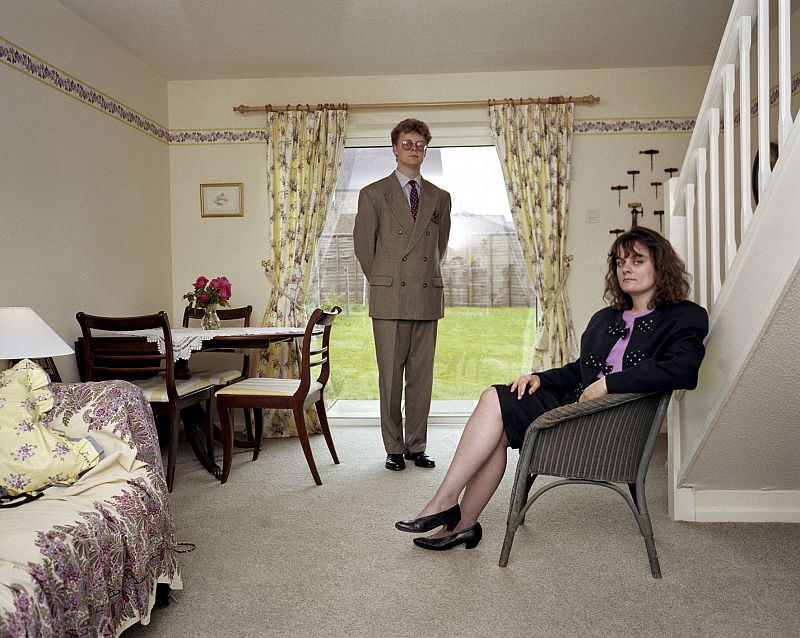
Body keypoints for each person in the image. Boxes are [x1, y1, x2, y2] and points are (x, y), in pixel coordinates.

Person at [395, 226, 708, 550]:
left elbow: (683, 370)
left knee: (497, 420)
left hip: (611, 428)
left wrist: (608, 384)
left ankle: (448, 508)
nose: (626, 268)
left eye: (637, 261)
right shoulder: (606, 318)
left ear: (660, 266)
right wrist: (540, 379)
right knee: (495, 404)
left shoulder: (685, 317)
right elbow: (580, 369)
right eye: (620, 262)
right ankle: (461, 521)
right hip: (573, 407)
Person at [353, 118, 452, 471]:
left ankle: (417, 446)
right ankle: (394, 447)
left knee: (422, 379)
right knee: (391, 378)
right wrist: (387, 281)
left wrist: (419, 274)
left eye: (419, 144)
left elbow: (440, 246)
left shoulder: (440, 197)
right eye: (407, 143)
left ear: (425, 150)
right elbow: (364, 248)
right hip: (390, 297)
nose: (414, 149)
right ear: (394, 148)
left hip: (426, 296)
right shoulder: (373, 194)